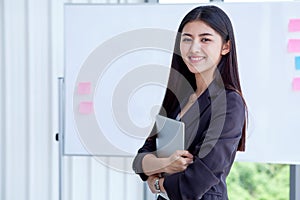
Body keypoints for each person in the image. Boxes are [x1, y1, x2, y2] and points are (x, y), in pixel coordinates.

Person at [132, 5, 247, 200]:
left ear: (225, 47)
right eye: (187, 39)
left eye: (205, 39)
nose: (193, 48)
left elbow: (194, 184)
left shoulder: (230, 103)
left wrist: (157, 182)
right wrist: (167, 164)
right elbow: (140, 160)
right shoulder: (179, 96)